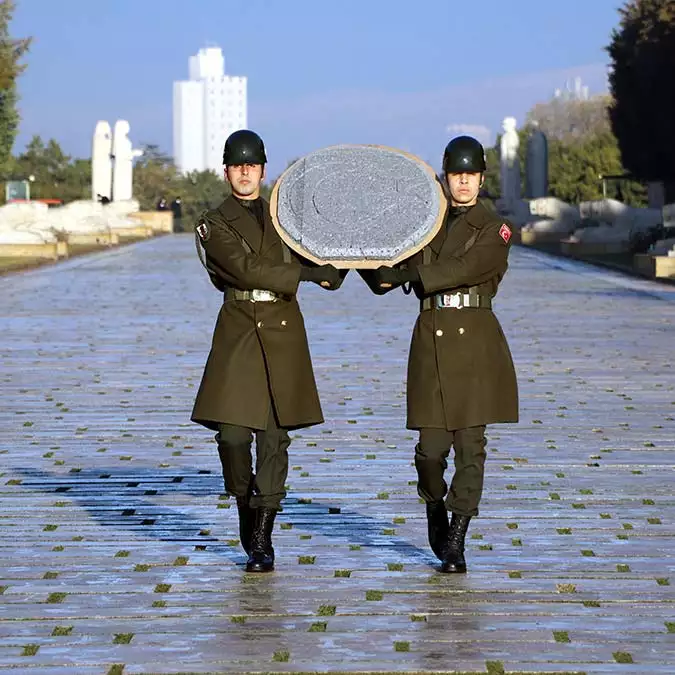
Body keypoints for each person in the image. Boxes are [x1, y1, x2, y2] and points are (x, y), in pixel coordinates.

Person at [360, 136, 518, 573]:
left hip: (475, 342)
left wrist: (414, 272)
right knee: (430, 451)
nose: (463, 182)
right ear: (445, 178)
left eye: (470, 175)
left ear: (481, 179)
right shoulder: (424, 224)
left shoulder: (495, 228)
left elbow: (467, 269)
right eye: (455, 175)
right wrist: (358, 255)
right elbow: (387, 274)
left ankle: (457, 538)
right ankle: (434, 505)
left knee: (471, 447)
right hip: (431, 338)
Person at [192, 130, 343, 573]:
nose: (245, 171)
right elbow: (241, 268)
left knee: (275, 439)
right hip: (239, 330)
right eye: (237, 165)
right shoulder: (213, 222)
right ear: (226, 172)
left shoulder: (287, 218)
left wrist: (357, 266)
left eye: (252, 165)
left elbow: (330, 248)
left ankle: (262, 536)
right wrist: (306, 275)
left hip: (281, 329)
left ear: (262, 169)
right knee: (234, 437)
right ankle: (244, 501)